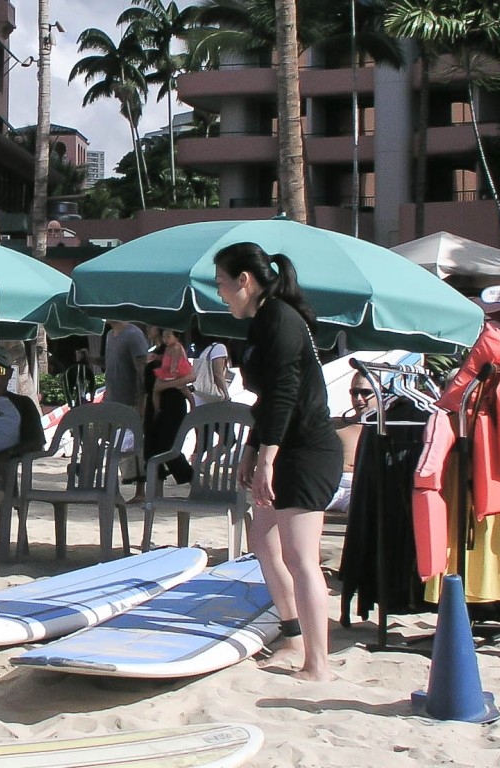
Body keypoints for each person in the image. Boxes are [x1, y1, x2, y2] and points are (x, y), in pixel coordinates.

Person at [214, 241, 342, 683]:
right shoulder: (264, 320)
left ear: (244, 281)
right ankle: (291, 635)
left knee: (300, 555)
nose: (221, 294)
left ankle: (318, 663)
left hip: (306, 451)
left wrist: (267, 457)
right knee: (263, 540)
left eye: (222, 284)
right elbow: (267, 401)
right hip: (282, 446)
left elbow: (286, 393)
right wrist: (253, 450)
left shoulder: (280, 319)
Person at [0, 350, 46, 510]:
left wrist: (8, 454)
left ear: (9, 374)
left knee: (0, 465)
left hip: (5, 463)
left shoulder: (22, 404)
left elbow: (37, 442)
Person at [142, 328, 194, 495]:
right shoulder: (155, 352)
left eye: (152, 325)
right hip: (153, 402)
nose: (148, 328)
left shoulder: (174, 349)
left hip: (172, 401)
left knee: (167, 446)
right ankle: (155, 494)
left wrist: (164, 386)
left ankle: (194, 482)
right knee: (151, 446)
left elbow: (190, 376)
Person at [103, 321, 149, 500]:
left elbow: (142, 370)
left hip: (131, 401)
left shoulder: (133, 335)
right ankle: (114, 490)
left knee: (135, 448)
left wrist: (141, 401)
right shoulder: (109, 336)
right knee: (114, 447)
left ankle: (140, 491)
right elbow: (112, 365)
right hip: (112, 400)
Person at [327, 372, 376, 514]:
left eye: (365, 392)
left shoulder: (387, 428)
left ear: (379, 393)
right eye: (354, 392)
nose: (358, 398)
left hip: (362, 486)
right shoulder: (335, 424)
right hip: (331, 484)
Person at [192, 338, 232, 405]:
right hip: (212, 396)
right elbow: (218, 374)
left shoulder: (208, 349)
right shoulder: (220, 348)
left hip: (201, 393)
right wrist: (226, 395)